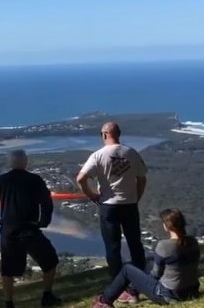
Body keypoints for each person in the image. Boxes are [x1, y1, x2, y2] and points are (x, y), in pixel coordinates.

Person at [0, 149, 62, 308]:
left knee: (8, 270)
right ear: (25, 162)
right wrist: (43, 221)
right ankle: (47, 296)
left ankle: (9, 303)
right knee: (50, 261)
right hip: (29, 229)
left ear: (10, 163)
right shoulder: (34, 180)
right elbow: (46, 202)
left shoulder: (2, 180)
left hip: (8, 231)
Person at [76, 122, 148, 303]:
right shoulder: (131, 153)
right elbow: (142, 179)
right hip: (130, 204)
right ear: (119, 134)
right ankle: (137, 286)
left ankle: (119, 287)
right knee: (135, 244)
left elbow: (81, 178)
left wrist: (92, 195)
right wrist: (136, 197)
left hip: (109, 205)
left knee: (113, 247)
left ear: (104, 134)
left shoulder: (98, 155)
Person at [92, 208, 201, 307]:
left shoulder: (164, 245)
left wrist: (141, 280)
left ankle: (104, 301)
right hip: (191, 291)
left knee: (127, 269)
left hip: (169, 294)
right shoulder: (193, 242)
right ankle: (131, 293)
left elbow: (156, 275)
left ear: (166, 226)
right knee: (147, 264)